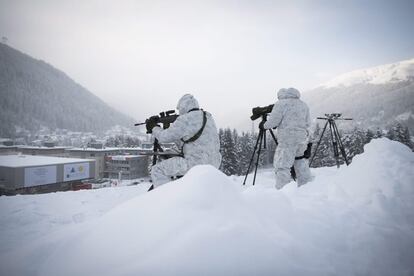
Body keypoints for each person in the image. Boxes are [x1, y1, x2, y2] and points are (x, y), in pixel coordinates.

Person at [148, 94, 222, 188]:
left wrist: (153, 127)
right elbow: (187, 139)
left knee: (157, 170)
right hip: (214, 163)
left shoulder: (185, 119)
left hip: (195, 164)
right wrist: (168, 128)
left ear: (183, 106)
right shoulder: (208, 116)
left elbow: (163, 137)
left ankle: (168, 197)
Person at [260, 87, 313, 189]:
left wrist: (263, 125)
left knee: (282, 166)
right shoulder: (303, 105)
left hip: (287, 141)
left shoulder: (281, 104)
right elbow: (308, 124)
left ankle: (283, 192)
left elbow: (273, 122)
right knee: (301, 164)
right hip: (301, 140)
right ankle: (306, 189)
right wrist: (309, 142)